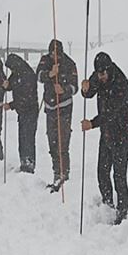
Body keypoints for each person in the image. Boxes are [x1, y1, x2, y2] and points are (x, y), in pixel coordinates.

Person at [80, 52, 128, 225]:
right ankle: (107, 203)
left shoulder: (121, 83)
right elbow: (90, 93)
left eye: (102, 74)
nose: (100, 77)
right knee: (102, 171)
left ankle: (122, 209)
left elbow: (110, 113)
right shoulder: (98, 74)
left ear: (108, 69)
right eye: (97, 74)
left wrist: (92, 124)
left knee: (119, 174)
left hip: (121, 132)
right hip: (107, 132)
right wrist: (85, 89)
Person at [36, 39, 78, 192]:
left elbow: (75, 87)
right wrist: (50, 73)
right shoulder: (45, 60)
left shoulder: (69, 63)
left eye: (57, 54)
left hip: (64, 107)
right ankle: (56, 171)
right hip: (50, 106)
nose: (54, 56)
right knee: (52, 141)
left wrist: (65, 90)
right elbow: (39, 76)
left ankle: (64, 173)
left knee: (62, 140)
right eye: (52, 53)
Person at [3, 53, 39, 173]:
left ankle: (29, 164)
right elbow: (11, 84)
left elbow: (26, 98)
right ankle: (24, 162)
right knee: (22, 139)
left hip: (30, 111)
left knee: (28, 138)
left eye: (11, 68)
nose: (11, 70)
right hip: (22, 112)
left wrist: (11, 105)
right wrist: (7, 86)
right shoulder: (17, 72)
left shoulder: (27, 74)